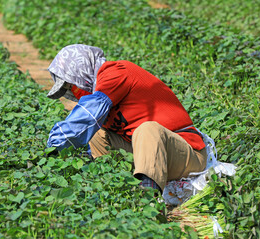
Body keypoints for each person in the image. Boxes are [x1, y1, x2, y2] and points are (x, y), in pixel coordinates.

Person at [46, 44, 207, 194]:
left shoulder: (116, 73)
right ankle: (107, 182)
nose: (74, 91)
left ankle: (147, 197)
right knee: (97, 131)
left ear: (81, 70)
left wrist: (52, 149)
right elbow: (89, 125)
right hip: (146, 153)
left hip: (186, 154)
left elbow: (87, 115)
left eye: (71, 84)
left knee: (147, 129)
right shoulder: (100, 88)